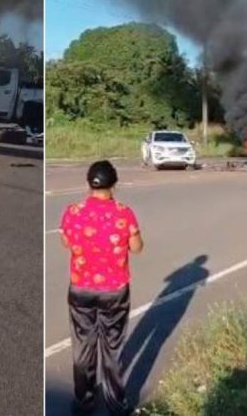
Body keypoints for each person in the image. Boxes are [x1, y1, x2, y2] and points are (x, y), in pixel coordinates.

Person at [60, 160, 144, 415]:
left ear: (88, 184)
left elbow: (66, 241)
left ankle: (83, 400)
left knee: (83, 345)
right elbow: (137, 247)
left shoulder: (73, 211)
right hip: (114, 291)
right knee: (113, 347)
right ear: (114, 184)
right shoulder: (124, 213)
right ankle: (116, 404)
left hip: (81, 289)